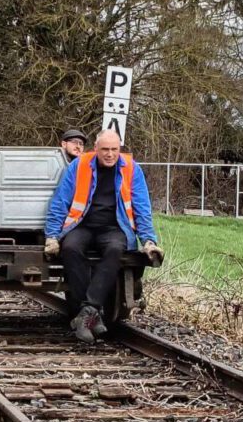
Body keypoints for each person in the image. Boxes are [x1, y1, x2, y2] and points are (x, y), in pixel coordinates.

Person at [44, 129, 164, 342]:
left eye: (114, 150)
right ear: (96, 149)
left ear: (120, 149)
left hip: (114, 228)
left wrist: (148, 240)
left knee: (116, 250)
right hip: (82, 225)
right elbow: (60, 201)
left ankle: (86, 312)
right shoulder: (79, 165)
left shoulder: (131, 169)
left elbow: (141, 207)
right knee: (70, 248)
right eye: (105, 150)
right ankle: (92, 313)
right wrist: (52, 235)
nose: (110, 154)